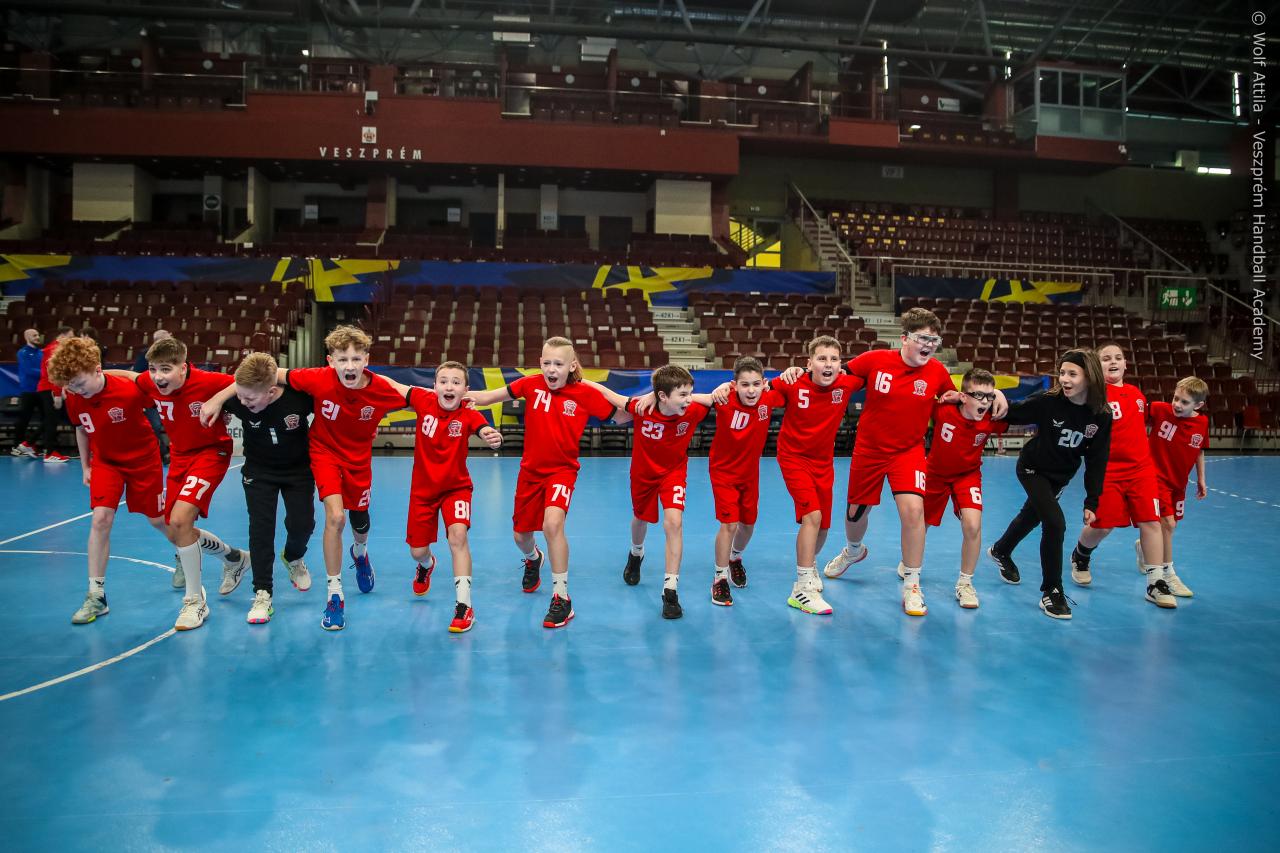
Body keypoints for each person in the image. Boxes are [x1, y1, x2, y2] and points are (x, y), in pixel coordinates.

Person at [205, 325, 414, 631]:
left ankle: (357, 553)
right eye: (342, 359)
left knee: (353, 520)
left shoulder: (375, 388)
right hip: (316, 455)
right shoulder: (314, 379)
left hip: (346, 461)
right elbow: (264, 374)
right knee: (333, 518)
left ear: (367, 359)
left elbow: (425, 397)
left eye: (356, 359)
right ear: (331, 361)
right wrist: (217, 399)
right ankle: (330, 596)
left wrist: (469, 401)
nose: (349, 366)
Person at [817, 308, 1003, 618]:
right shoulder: (875, 360)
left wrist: (997, 394)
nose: (929, 345)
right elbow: (832, 374)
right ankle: (853, 551)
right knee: (855, 513)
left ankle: (912, 585)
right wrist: (797, 372)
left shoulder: (937, 372)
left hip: (909, 452)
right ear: (904, 338)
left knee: (915, 511)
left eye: (934, 340)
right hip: (869, 450)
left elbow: (964, 397)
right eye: (922, 338)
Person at [464, 336, 622, 629]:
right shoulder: (530, 384)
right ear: (540, 363)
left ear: (571, 366)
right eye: (547, 363)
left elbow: (623, 415)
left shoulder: (584, 394)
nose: (551, 369)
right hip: (530, 473)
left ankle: (562, 597)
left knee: (552, 525)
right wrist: (449, 393)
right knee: (520, 536)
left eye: (558, 364)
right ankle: (533, 558)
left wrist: (637, 401)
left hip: (562, 471)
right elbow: (487, 397)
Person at [112, 336, 248, 630]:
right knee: (175, 529)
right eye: (153, 369)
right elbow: (131, 377)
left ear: (183, 368)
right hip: (179, 457)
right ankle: (234, 558)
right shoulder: (150, 382)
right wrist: (95, 373)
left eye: (166, 369)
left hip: (211, 453)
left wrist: (218, 399)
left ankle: (195, 602)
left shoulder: (207, 381)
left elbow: (244, 379)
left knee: (180, 519)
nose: (158, 377)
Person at [45, 338, 170, 625]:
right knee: (100, 519)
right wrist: (85, 465)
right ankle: (96, 596)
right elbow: (81, 429)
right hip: (106, 462)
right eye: (71, 386)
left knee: (158, 520)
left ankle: (181, 552)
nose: (77, 390)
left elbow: (161, 398)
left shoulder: (129, 389)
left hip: (143, 460)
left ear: (98, 369)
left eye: (80, 383)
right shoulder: (75, 397)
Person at [987, 349, 1112, 620]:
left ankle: (1001, 550)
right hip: (1032, 469)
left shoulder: (1101, 415)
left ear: (1089, 377)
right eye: (1062, 372)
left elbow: (1097, 459)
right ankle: (1052, 591)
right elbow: (1012, 412)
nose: (1064, 379)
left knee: (1031, 516)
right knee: (1055, 523)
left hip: (1060, 477)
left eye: (1072, 374)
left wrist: (1092, 500)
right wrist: (996, 394)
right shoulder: (1048, 402)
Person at [1066, 343, 1177, 609]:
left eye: (1118, 357)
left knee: (1151, 521)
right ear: (1096, 366)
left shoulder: (1137, 394)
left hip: (1141, 469)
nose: (1113, 361)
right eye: (1106, 358)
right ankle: (1081, 554)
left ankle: (1155, 582)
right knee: (1103, 526)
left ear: (1126, 364)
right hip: (1107, 470)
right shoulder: (1092, 395)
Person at [404, 361, 502, 633]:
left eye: (456, 382)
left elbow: (482, 427)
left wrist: (489, 435)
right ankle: (427, 565)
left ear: (465, 390)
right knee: (417, 551)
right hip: (422, 492)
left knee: (458, 537)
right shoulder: (422, 401)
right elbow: (394, 388)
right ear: (434, 386)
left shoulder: (469, 414)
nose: (449, 386)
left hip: (456, 488)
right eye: (444, 381)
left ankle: (464, 605)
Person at [219, 352, 317, 624]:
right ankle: (262, 592)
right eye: (239, 396)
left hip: (298, 471)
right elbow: (219, 396)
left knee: (303, 524)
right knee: (261, 529)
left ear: (271, 391)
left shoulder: (299, 399)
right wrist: (217, 405)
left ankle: (293, 557)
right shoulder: (239, 399)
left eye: (249, 399)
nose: (242, 402)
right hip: (258, 472)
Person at [771, 336, 864, 616]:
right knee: (812, 516)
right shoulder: (792, 382)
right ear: (809, 363)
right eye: (822, 359)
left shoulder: (847, 383)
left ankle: (810, 566)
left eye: (834, 359)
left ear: (841, 364)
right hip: (793, 458)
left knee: (822, 525)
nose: (828, 364)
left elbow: (880, 373)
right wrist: (785, 373)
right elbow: (754, 388)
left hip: (824, 462)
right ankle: (801, 589)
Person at [614, 365, 714, 619]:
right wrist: (646, 397)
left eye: (690, 393)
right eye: (683, 394)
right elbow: (611, 400)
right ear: (662, 396)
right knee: (640, 519)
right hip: (643, 474)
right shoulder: (642, 409)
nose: (688, 399)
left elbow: (718, 395)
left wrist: (670, 395)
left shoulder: (693, 410)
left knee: (674, 522)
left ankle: (670, 590)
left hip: (673, 473)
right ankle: (636, 553)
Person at [922, 368, 1008, 609]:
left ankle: (965, 583)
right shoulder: (943, 410)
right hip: (935, 474)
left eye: (989, 396)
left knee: (972, 525)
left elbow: (1025, 411)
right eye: (978, 396)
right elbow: (917, 401)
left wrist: (1001, 395)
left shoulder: (993, 417)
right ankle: (910, 562)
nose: (985, 402)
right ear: (963, 396)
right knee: (921, 524)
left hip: (967, 476)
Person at [705, 356, 785, 606]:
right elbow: (687, 398)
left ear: (764, 383)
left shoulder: (770, 398)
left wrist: (796, 368)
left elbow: (797, 383)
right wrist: (652, 396)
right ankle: (719, 578)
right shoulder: (723, 399)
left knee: (748, 525)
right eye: (744, 384)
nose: (751, 390)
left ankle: (734, 558)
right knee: (729, 524)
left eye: (755, 384)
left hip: (750, 473)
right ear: (734, 385)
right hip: (723, 472)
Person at [1145, 376, 1210, 598]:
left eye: (1184, 402)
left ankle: (1145, 546)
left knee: (1170, 527)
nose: (1177, 405)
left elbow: (1199, 450)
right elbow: (1133, 415)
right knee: (1168, 524)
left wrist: (1201, 478)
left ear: (1198, 405)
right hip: (1156, 478)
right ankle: (1167, 574)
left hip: (1179, 483)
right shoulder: (1160, 410)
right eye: (1175, 398)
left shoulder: (1202, 423)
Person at [36, 326, 75, 463]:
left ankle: (31, 444)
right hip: (49, 388)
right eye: (70, 337)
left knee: (51, 420)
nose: (71, 340)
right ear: (62, 336)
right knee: (51, 421)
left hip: (48, 388)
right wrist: (57, 394)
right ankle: (50, 453)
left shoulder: (54, 348)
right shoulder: (54, 349)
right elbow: (53, 373)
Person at [134, 329, 172, 464]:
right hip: (151, 399)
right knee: (154, 425)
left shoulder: (174, 355)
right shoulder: (145, 355)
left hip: (170, 397)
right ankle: (162, 452)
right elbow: (136, 376)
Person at [10, 328, 44, 458]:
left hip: (41, 390)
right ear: (27, 337)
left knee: (46, 418)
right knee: (24, 418)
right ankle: (16, 446)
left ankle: (40, 446)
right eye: (34, 335)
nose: (37, 337)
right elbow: (29, 370)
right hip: (28, 390)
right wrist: (47, 374)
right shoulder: (22, 353)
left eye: (38, 335)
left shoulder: (41, 353)